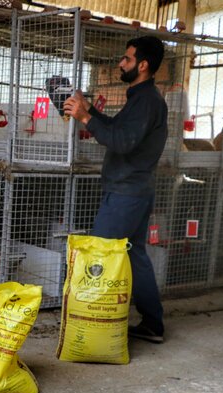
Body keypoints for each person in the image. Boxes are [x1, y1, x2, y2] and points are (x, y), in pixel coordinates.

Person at [63, 36, 168, 344]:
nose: (121, 63)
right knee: (135, 255)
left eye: (127, 59)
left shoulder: (147, 101)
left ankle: (95, 326)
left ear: (143, 65)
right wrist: (90, 111)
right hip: (134, 189)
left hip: (127, 193)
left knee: (100, 257)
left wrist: (84, 117)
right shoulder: (141, 98)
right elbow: (119, 131)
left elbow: (122, 142)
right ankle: (152, 323)